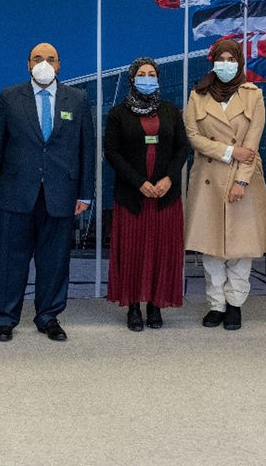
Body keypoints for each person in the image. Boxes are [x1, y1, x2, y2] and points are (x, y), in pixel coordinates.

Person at [0, 43, 95, 342]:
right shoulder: (10, 97)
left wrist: (85, 194)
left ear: (59, 65)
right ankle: (6, 318)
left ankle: (48, 317)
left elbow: (87, 148)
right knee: (11, 260)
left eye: (50, 59)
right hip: (15, 192)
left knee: (55, 261)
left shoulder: (78, 99)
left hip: (61, 194)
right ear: (28, 65)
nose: (43, 63)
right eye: (37, 58)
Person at [183, 38, 266, 331]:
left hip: (242, 179)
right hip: (208, 178)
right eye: (220, 59)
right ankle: (216, 305)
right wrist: (228, 151)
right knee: (210, 249)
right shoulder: (198, 94)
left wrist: (242, 181)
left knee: (239, 247)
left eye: (231, 59)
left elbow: (252, 142)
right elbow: (193, 136)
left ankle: (235, 304)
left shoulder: (253, 94)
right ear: (213, 62)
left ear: (239, 62)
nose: (225, 64)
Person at [104, 57, 188, 331]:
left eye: (152, 74)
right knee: (133, 252)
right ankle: (133, 308)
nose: (147, 78)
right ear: (132, 78)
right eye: (142, 74)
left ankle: (155, 306)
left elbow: (181, 149)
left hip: (165, 196)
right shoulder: (118, 113)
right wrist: (139, 182)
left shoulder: (171, 111)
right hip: (132, 197)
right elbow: (112, 152)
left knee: (161, 251)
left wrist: (168, 178)